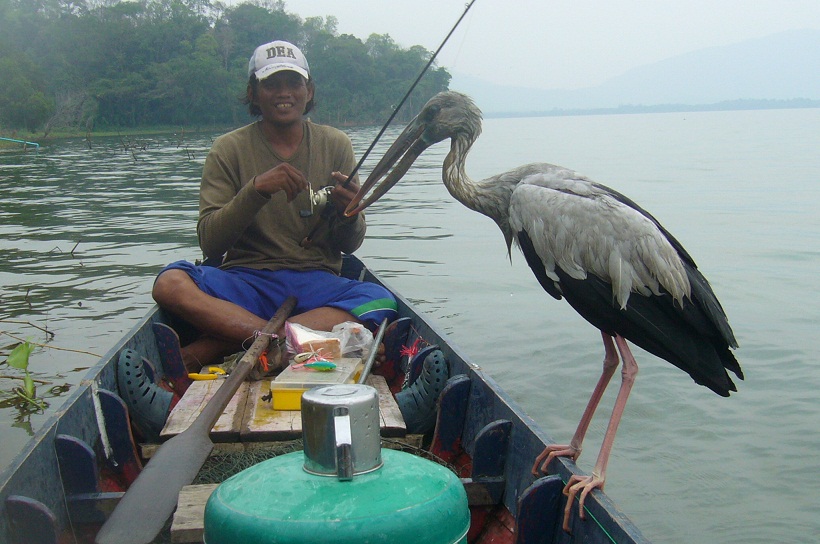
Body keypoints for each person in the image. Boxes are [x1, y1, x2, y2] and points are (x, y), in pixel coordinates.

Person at [151, 39, 398, 373]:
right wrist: (256, 190)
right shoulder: (228, 149)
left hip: (317, 282)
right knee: (170, 283)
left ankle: (222, 342)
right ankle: (281, 340)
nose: (285, 93)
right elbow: (211, 243)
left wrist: (347, 212)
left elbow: (350, 243)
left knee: (381, 299)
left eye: (294, 83)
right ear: (254, 93)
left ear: (308, 91)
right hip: (246, 280)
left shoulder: (335, 144)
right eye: (271, 84)